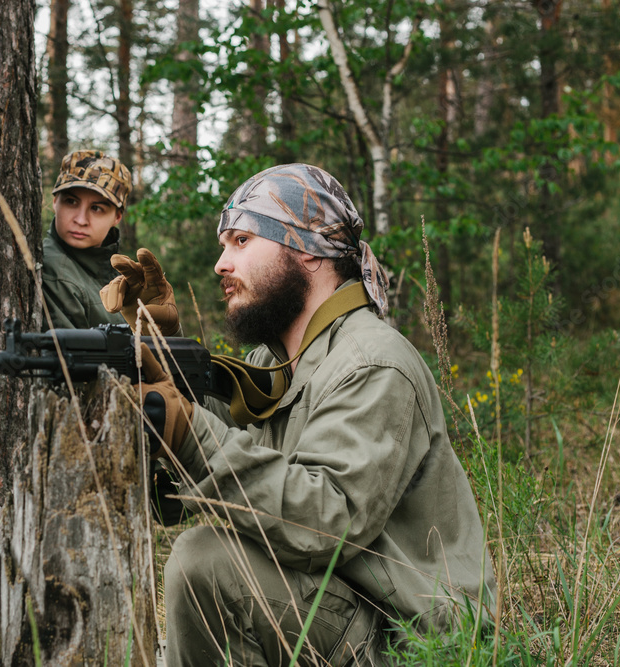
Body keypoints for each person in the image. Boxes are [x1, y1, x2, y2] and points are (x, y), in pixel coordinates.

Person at [129, 164, 496, 666]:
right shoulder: (276, 363)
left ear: (306, 249)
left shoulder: (372, 362)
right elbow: (230, 467)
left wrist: (189, 430)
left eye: (240, 241)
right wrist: (162, 356)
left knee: (206, 563)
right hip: (340, 609)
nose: (220, 263)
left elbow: (325, 521)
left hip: (414, 641)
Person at [41, 150, 133, 330]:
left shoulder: (121, 276)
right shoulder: (54, 272)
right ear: (55, 202)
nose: (81, 220)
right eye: (71, 202)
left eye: (97, 208)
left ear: (117, 217)